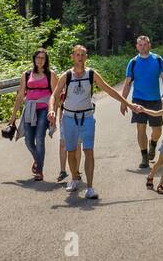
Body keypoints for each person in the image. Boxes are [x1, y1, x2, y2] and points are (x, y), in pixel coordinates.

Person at [52, 44, 128, 199]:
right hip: (69, 118)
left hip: (87, 117)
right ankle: (74, 178)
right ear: (72, 57)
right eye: (77, 54)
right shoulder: (66, 75)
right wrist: (51, 110)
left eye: (83, 54)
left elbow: (108, 89)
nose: (80, 57)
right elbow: (54, 95)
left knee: (89, 151)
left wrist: (127, 102)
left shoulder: (92, 74)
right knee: (71, 151)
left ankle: (90, 187)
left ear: (86, 57)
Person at [121, 35, 163, 169]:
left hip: (155, 100)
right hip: (138, 100)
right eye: (140, 45)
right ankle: (144, 157)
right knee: (140, 128)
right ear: (137, 46)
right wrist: (123, 101)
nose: (142, 47)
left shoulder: (158, 60)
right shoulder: (133, 62)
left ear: (149, 45)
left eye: (145, 44)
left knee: (157, 129)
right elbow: (127, 83)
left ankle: (153, 144)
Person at [12, 48, 56, 182]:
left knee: (39, 138)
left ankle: (39, 171)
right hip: (30, 108)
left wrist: (54, 112)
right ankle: (37, 160)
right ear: (34, 59)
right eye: (38, 57)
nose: (40, 60)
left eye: (42, 58)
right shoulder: (26, 74)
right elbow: (20, 95)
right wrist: (13, 115)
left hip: (44, 109)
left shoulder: (51, 74)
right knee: (28, 140)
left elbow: (56, 95)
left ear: (46, 60)